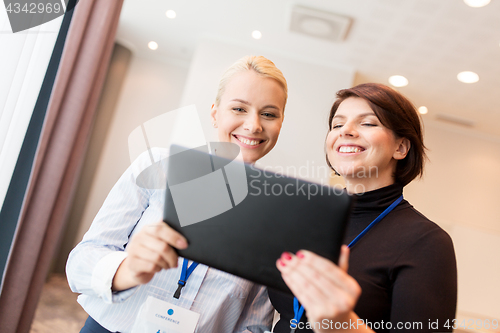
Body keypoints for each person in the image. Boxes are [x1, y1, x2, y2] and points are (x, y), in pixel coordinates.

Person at [66, 55, 288, 333]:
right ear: (215, 113)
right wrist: (127, 270)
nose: (254, 125)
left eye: (269, 114)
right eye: (239, 108)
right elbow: (80, 263)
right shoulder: (159, 165)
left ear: (280, 123)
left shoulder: (276, 213)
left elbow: (254, 322)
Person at [269, 83, 457, 332]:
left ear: (401, 147)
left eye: (367, 123)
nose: (345, 131)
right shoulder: (307, 219)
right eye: (337, 124)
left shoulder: (427, 242)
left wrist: (344, 324)